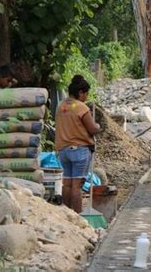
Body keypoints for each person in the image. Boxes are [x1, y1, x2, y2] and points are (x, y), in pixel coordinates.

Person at [55, 75, 100, 213]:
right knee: (77, 186)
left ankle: (67, 215)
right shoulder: (81, 107)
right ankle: (78, 216)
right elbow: (92, 129)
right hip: (79, 150)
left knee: (67, 184)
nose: (86, 97)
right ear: (80, 92)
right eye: (86, 94)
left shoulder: (60, 106)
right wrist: (98, 126)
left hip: (63, 150)